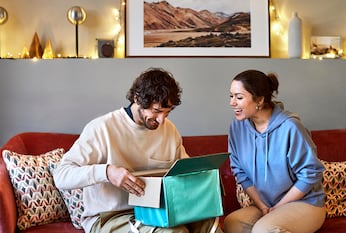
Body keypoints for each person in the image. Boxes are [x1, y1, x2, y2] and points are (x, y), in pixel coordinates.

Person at [53, 68, 221, 233]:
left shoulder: (169, 130)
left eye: (167, 113)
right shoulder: (102, 128)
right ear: (137, 99)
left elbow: (185, 173)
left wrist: (204, 181)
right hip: (110, 217)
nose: (162, 120)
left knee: (208, 225)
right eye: (156, 111)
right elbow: (61, 176)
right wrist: (107, 172)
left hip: (158, 211)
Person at [224, 69, 326, 233]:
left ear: (259, 100)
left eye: (239, 97)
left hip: (304, 203)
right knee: (232, 223)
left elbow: (310, 173)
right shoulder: (237, 128)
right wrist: (262, 206)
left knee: (265, 230)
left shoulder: (290, 127)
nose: (232, 102)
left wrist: (279, 207)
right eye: (231, 96)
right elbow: (239, 171)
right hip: (265, 203)